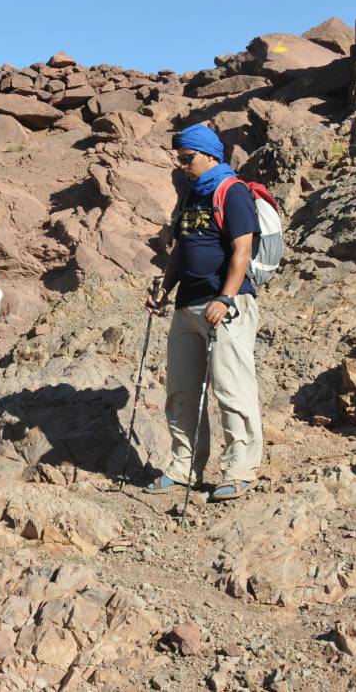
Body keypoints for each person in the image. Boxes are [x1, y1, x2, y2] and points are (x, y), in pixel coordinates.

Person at [144, 123, 264, 502]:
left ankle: (240, 469)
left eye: (187, 158)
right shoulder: (193, 196)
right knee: (181, 391)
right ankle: (184, 467)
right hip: (187, 307)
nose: (182, 165)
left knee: (232, 389)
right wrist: (165, 290)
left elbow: (242, 251)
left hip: (225, 306)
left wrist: (225, 298)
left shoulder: (233, 192)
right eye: (178, 159)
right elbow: (180, 249)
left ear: (209, 155)